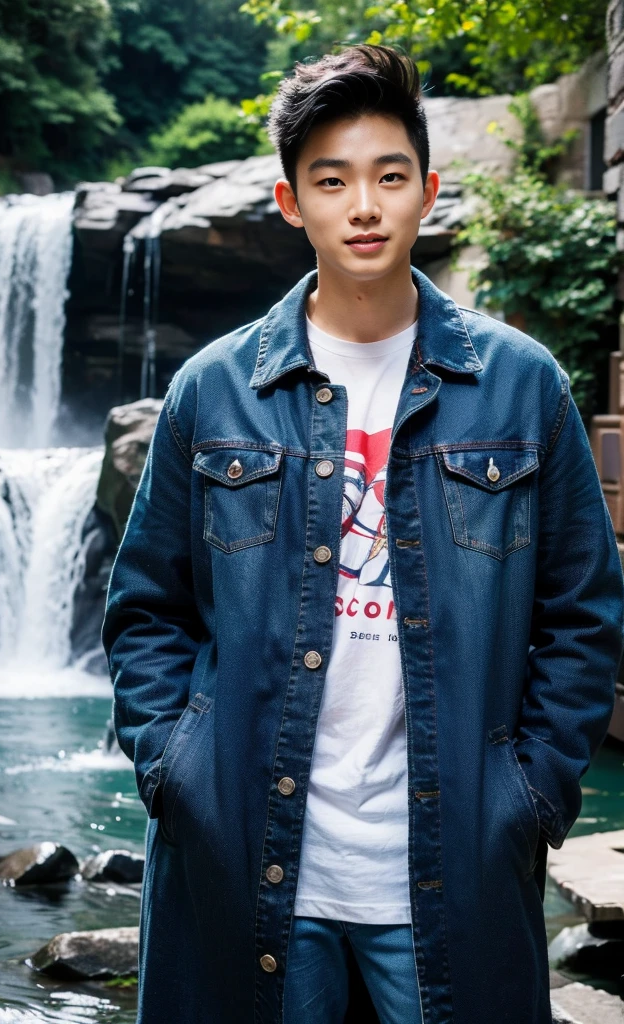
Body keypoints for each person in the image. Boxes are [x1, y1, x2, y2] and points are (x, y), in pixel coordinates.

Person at [101, 44, 624, 1024]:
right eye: (330, 181)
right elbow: (145, 610)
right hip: (251, 858)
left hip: (451, 859)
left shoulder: (521, 387)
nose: (364, 206)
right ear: (289, 201)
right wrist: (177, 770)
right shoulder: (212, 391)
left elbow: (581, 613)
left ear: (427, 190)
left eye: (388, 177)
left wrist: (531, 794)